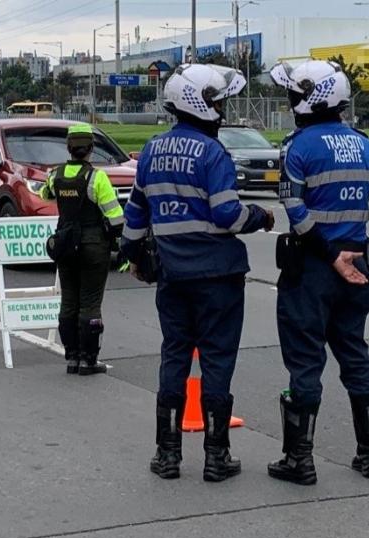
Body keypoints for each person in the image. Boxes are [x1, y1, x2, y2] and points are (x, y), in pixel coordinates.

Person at [120, 64, 274, 482]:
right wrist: (260, 216)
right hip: (218, 276)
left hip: (172, 275)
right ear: (201, 103)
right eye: (218, 101)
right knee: (217, 361)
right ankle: (216, 455)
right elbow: (227, 213)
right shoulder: (213, 153)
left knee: (173, 357)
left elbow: (135, 215)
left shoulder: (151, 151)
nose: (222, 109)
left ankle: (167, 454)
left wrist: (133, 254)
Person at [266, 59, 369, 486]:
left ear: (310, 100)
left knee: (306, 362)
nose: (290, 102)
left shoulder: (298, 147)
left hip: (313, 269)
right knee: (354, 354)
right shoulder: (365, 146)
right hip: (360, 267)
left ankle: (300, 459)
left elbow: (294, 209)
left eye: (294, 95)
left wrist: (330, 256)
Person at [40, 123, 124, 376]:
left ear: (68, 147)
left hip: (65, 246)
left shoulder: (55, 175)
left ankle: (72, 357)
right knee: (90, 303)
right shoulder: (96, 177)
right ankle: (89, 360)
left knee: (68, 301)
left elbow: (46, 195)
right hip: (93, 246)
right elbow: (116, 217)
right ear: (91, 149)